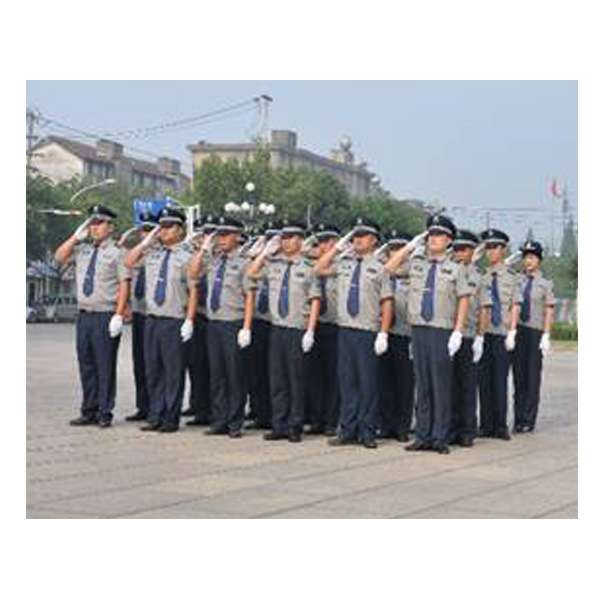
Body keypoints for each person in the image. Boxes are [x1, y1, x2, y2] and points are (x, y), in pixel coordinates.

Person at [385, 214, 473, 454]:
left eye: (439, 235)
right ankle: (423, 435)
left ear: (449, 240)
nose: (433, 239)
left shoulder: (456, 268)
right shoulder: (417, 263)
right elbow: (389, 268)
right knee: (423, 384)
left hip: (441, 330)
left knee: (440, 385)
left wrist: (458, 331)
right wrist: (409, 247)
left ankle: (440, 437)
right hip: (418, 329)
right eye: (431, 234)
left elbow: (464, 299)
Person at [315, 217, 394, 450]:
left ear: (374, 240)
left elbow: (387, 302)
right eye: (355, 236)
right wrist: (337, 248)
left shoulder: (380, 268)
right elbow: (318, 268)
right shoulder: (344, 263)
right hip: (345, 330)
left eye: (362, 236)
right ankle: (347, 429)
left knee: (367, 383)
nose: (357, 240)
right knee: (347, 382)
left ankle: (367, 431)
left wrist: (383, 333)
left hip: (367, 331)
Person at [247, 218, 322, 443]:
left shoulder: (308, 268)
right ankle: (279, 424)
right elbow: (252, 272)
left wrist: (310, 331)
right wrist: (265, 252)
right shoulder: (275, 264)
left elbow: (315, 300)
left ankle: (294, 425)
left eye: (290, 238)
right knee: (277, 379)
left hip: (297, 329)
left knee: (295, 379)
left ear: (300, 241)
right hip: (277, 328)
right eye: (284, 238)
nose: (286, 242)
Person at [54, 204, 130, 428]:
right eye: (92, 224)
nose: (94, 228)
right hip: (84, 316)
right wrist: (75, 237)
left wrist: (118, 314)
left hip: (105, 315)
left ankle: (105, 412)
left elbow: (124, 284)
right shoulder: (82, 250)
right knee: (86, 364)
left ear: (110, 227)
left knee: (104, 365)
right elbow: (59, 257)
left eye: (99, 223)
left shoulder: (118, 252)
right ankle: (89, 410)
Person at [125, 206, 197, 433]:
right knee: (153, 370)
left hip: (174, 320)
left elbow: (194, 290)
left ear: (180, 230)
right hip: (152, 319)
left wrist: (190, 319)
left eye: (168, 227)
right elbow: (129, 261)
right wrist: (147, 241)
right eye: (161, 227)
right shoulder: (152, 254)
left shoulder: (188, 257)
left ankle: (170, 418)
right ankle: (155, 415)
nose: (163, 231)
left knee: (173, 372)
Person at [188, 215, 253, 438]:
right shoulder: (213, 259)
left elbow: (249, 296)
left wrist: (246, 327)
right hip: (214, 323)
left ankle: (235, 422)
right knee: (217, 374)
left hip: (233, 323)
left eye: (225, 235)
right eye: (219, 235)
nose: (221, 239)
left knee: (234, 374)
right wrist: (204, 248)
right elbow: (193, 273)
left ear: (237, 236)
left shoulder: (244, 263)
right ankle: (220, 420)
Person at [448, 230, 491, 447]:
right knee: (447, 385)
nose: (458, 253)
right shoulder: (447, 272)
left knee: (466, 385)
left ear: (473, 252)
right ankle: (449, 428)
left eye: (463, 249)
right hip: (446, 335)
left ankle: (466, 430)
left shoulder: (479, 277)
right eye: (455, 249)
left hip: (467, 336)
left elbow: (484, 309)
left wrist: (480, 337)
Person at [478, 228, 522, 440]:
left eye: (495, 247)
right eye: (487, 248)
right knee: (483, 380)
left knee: (500, 380)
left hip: (502, 333)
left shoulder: (513, 277)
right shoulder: (482, 276)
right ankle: (486, 424)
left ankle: (500, 425)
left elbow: (515, 305)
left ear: (503, 249)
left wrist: (512, 331)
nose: (491, 252)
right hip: (484, 333)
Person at [512, 240, 555, 433]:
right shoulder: (517, 280)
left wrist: (546, 334)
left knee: (532, 377)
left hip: (535, 332)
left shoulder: (545, 284)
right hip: (519, 330)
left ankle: (528, 419)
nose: (528, 261)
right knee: (518, 377)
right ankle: (518, 418)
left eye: (532, 257)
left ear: (539, 260)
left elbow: (549, 310)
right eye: (525, 257)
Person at [378, 229, 415, 442]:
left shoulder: (415, 272)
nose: (395, 252)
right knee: (384, 381)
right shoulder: (383, 271)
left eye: (400, 248)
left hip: (405, 333)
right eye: (392, 248)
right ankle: (386, 424)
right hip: (384, 334)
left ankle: (402, 426)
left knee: (405, 383)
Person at [244, 220, 281, 430]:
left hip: (274, 322)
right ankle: (259, 412)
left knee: (274, 374)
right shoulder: (261, 261)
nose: (273, 243)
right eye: (269, 239)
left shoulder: (283, 263)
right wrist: (261, 250)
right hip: (258, 320)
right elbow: (250, 271)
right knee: (256, 371)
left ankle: (274, 415)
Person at [306, 223, 341, 436]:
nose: (323, 246)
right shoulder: (310, 262)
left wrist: (336, 250)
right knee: (314, 375)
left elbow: (321, 268)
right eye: (320, 242)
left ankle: (331, 420)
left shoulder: (342, 264)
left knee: (333, 376)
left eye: (328, 242)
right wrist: (312, 244)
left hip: (335, 326)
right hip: (314, 326)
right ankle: (316, 418)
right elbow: (304, 248)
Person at [124, 210, 158, 422]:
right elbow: (127, 268)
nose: (145, 234)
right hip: (139, 314)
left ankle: (156, 407)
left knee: (154, 364)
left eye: (149, 230)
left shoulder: (162, 254)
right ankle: (143, 406)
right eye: (143, 230)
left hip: (155, 315)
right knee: (139, 362)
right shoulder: (138, 253)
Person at [184, 215, 216, 427]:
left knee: (213, 367)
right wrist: (201, 248)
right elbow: (192, 275)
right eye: (204, 233)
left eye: (211, 233)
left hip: (212, 317)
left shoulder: (219, 258)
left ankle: (213, 410)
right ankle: (199, 406)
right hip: (196, 316)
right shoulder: (198, 255)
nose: (207, 237)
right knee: (196, 365)